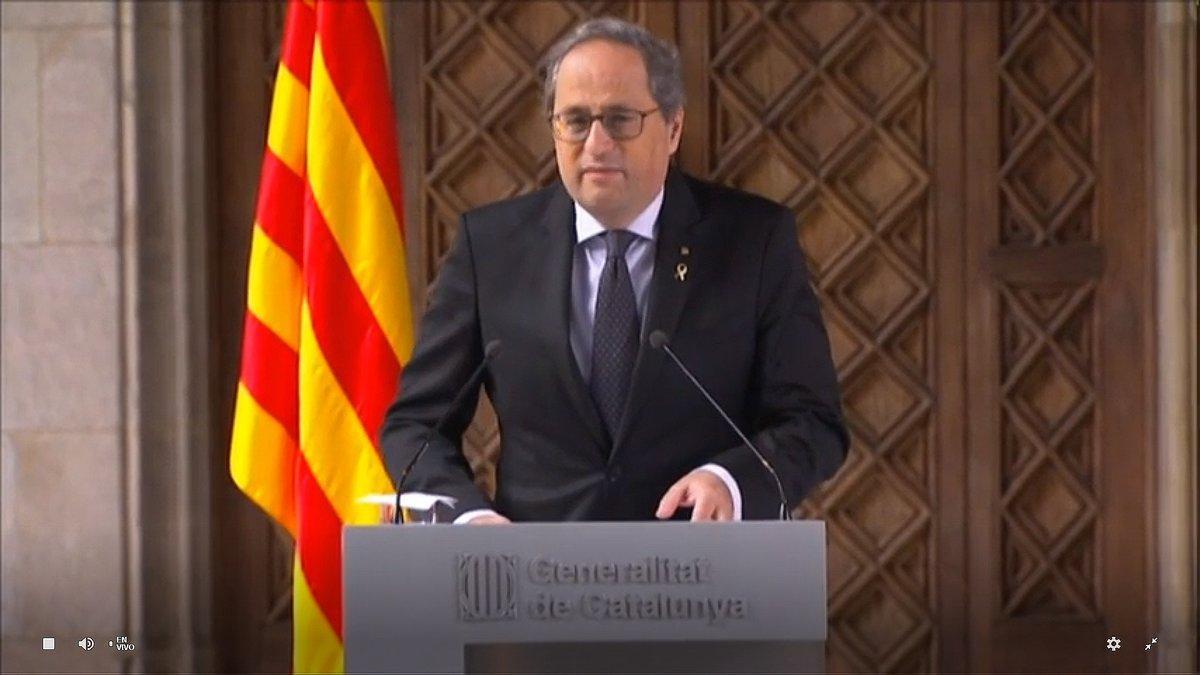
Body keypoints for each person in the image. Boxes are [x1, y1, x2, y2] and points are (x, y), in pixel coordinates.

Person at [379, 17, 848, 524]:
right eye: (576, 121)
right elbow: (417, 426)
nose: (597, 145)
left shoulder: (754, 241)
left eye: (621, 119)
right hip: (527, 578)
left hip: (702, 576)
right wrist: (468, 519)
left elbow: (813, 422)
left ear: (672, 129)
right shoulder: (490, 248)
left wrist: (733, 482)